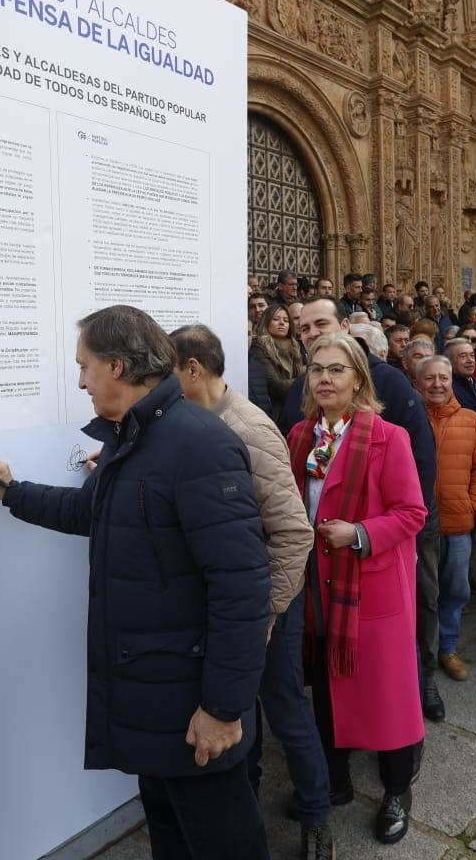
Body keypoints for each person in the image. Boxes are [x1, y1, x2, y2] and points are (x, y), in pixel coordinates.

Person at [0, 306, 271, 860]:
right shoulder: (133, 438)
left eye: (84, 367)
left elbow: (241, 588)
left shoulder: (197, 444)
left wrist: (223, 708)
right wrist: (14, 493)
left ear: (116, 366)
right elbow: (93, 512)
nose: (80, 381)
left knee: (224, 843)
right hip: (156, 703)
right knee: (172, 836)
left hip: (193, 709)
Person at [168, 325, 333, 859]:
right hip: (239, 610)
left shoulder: (248, 428)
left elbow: (291, 532)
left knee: (286, 713)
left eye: (170, 373)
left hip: (266, 608)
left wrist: (265, 613)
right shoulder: (195, 423)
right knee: (246, 720)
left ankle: (316, 819)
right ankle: (249, 807)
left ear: (194, 369)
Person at [288, 334, 427, 845]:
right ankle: (337, 780)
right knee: (326, 690)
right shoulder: (300, 436)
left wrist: (360, 534)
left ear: (358, 380)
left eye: (336, 370)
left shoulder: (389, 437)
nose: (324, 378)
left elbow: (412, 513)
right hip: (320, 590)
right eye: (316, 370)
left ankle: (396, 790)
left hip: (370, 590)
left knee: (387, 698)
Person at [416, 356, 476, 681]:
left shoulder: (470, 418)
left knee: (456, 591)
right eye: (430, 378)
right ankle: (421, 653)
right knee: (423, 595)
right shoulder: (409, 417)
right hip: (419, 528)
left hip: (458, 525)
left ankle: (447, 649)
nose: (437, 384)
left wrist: (475, 504)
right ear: (418, 383)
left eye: (443, 378)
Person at [251, 302, 305, 420]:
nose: (282, 323)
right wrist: (305, 379)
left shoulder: (295, 346)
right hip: (275, 413)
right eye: (276, 319)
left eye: (286, 320)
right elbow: (274, 386)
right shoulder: (259, 346)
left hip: (296, 409)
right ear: (266, 322)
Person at [446, 337, 476, 413]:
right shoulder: (447, 389)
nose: (470, 360)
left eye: (472, 355)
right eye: (463, 356)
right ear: (450, 361)